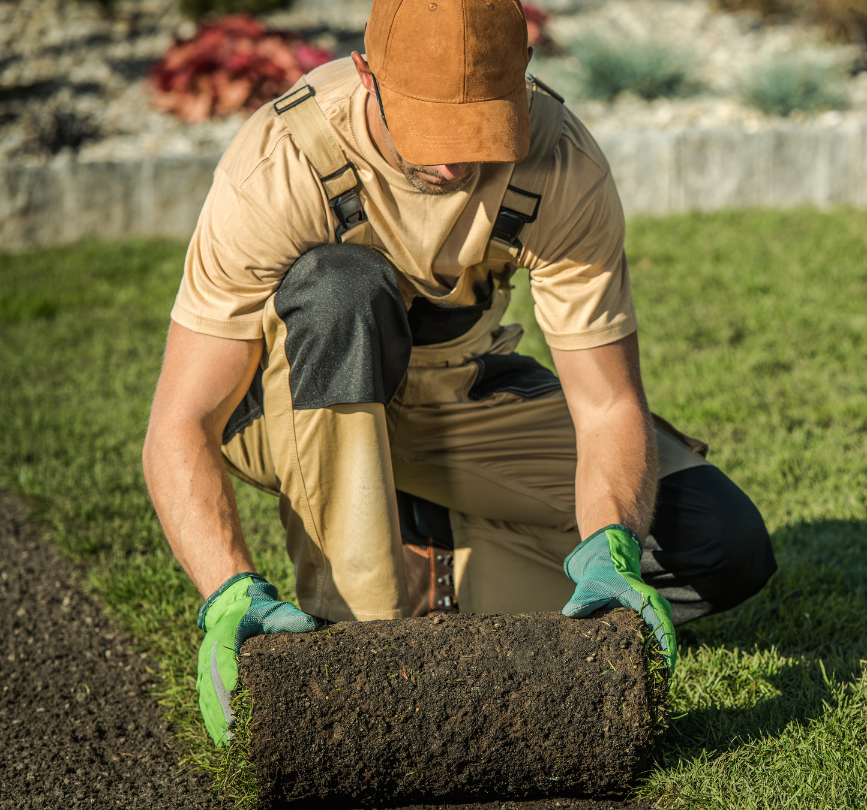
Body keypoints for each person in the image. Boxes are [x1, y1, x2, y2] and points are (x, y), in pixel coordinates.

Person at [141, 0, 776, 746]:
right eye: (432, 129)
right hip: (293, 406)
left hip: (458, 394)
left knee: (720, 546)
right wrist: (226, 592)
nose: (453, 163)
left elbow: (607, 407)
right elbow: (180, 421)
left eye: (479, 132)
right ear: (366, 75)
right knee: (341, 287)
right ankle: (357, 632)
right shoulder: (280, 163)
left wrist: (611, 546)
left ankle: (433, 561)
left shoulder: (561, 162)